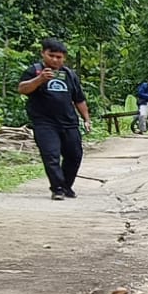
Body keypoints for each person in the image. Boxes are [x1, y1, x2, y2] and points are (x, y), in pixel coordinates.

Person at [17, 38, 90, 201]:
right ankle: (57, 188)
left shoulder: (69, 75)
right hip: (44, 122)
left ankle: (66, 186)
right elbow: (22, 89)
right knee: (51, 155)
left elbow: (79, 99)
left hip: (69, 122)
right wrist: (40, 79)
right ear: (43, 54)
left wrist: (86, 119)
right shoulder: (34, 71)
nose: (55, 60)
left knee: (75, 155)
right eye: (51, 56)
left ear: (64, 58)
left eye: (59, 57)